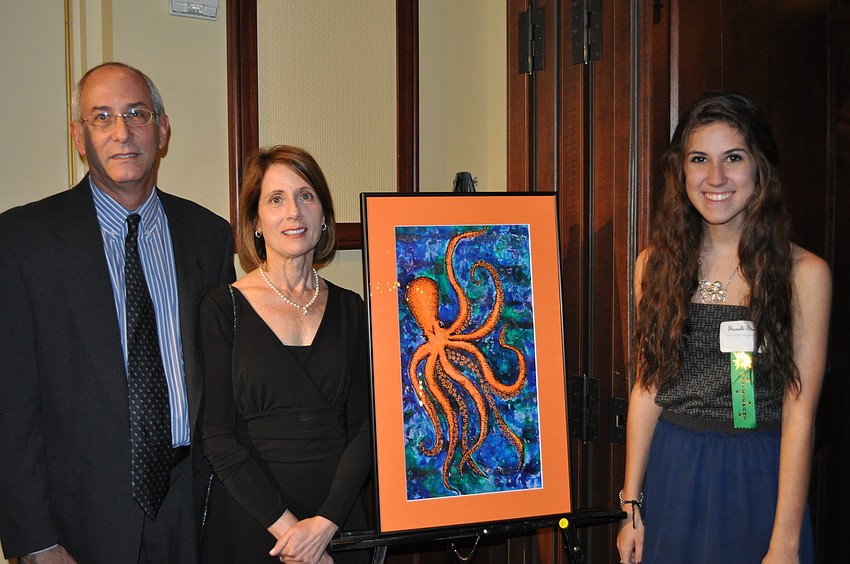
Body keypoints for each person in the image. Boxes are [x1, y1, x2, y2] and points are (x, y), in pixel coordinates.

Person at [0, 62, 236, 563]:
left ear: (162, 129)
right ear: (79, 137)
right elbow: (10, 406)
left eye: (136, 113)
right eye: (102, 117)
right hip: (76, 522)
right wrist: (36, 541)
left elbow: (225, 383)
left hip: (192, 509)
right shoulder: (22, 241)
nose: (122, 132)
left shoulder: (209, 236)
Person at [616, 91, 831, 563]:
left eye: (733, 157)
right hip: (674, 472)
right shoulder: (654, 265)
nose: (715, 177)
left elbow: (801, 414)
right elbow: (647, 388)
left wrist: (786, 541)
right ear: (681, 170)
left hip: (758, 476)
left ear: (760, 168)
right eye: (699, 159)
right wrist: (631, 506)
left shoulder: (803, 274)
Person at [200, 145, 372, 564]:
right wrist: (293, 535)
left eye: (306, 196)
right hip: (254, 523)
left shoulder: (353, 309)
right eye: (276, 199)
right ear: (256, 222)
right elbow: (217, 438)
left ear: (323, 215)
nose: (294, 212)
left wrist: (325, 525)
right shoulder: (223, 309)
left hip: (338, 520)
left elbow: (367, 426)